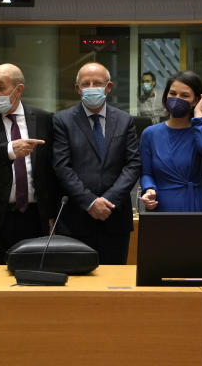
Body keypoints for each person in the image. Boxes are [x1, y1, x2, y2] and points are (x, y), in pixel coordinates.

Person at [0, 64, 56, 264]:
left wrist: (52, 213)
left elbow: (50, 170)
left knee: (32, 283)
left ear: (19, 89)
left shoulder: (43, 119)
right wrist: (9, 150)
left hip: (33, 218)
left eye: (0, 87)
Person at [53, 63, 141, 264]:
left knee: (114, 283)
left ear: (108, 87)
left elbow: (133, 165)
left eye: (98, 83)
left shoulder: (125, 120)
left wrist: (108, 201)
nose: (91, 87)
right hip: (76, 219)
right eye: (86, 83)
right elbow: (62, 166)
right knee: (76, 285)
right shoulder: (62, 120)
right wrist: (91, 202)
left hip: (115, 217)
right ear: (78, 88)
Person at [139, 71, 202, 213]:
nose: (177, 99)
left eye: (185, 95)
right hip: (162, 206)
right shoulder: (150, 134)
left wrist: (199, 115)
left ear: (196, 100)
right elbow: (147, 173)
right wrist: (149, 189)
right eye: (173, 93)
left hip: (196, 205)